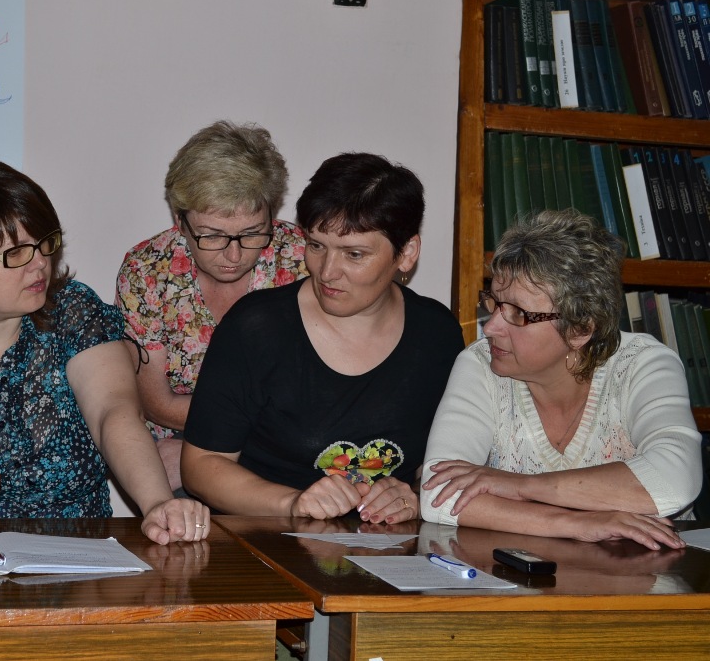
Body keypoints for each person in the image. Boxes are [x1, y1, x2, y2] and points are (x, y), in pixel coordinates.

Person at [0, 157, 209, 545]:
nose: (40, 263)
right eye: (16, 253)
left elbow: (114, 413)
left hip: (81, 552)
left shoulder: (72, 310)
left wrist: (158, 503)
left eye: (45, 243)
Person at [180, 152, 464, 521]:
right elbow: (202, 465)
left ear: (407, 253)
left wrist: (414, 495)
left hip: (390, 546)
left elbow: (448, 463)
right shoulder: (255, 328)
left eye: (354, 254)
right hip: (269, 538)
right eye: (316, 246)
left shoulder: (437, 334)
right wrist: (292, 503)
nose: (327, 272)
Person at [420, 210, 702, 551]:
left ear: (580, 329)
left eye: (518, 313)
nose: (491, 327)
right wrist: (576, 523)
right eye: (494, 302)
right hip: (526, 574)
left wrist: (519, 487)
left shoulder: (643, 364)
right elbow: (438, 495)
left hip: (648, 570)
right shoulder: (480, 364)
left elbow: (674, 480)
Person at [116, 120, 307, 492]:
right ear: (180, 222)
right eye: (212, 236)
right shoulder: (146, 271)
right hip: (185, 438)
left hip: (282, 448)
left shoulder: (301, 259)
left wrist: (235, 449)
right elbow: (158, 404)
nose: (233, 256)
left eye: (252, 233)